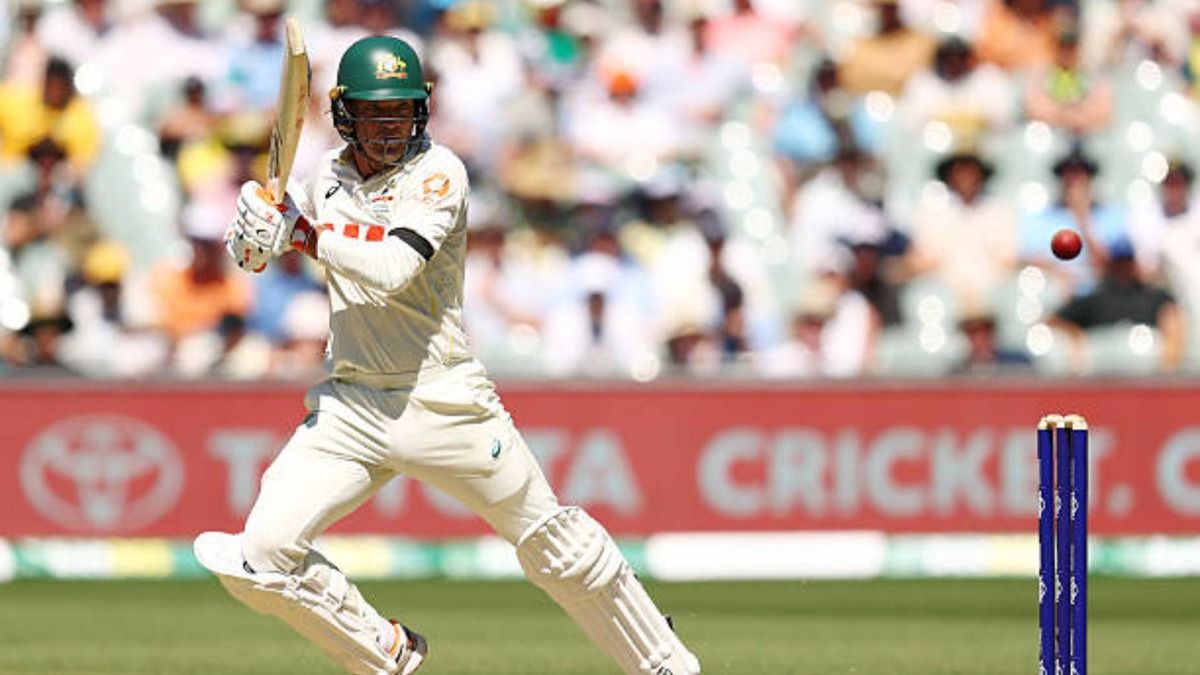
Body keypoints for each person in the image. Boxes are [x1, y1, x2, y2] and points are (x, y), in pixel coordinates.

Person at [196, 35, 701, 675]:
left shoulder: (441, 174)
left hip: (444, 398)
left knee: (556, 544)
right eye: (376, 113)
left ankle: (664, 663)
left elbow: (391, 268)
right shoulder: (324, 176)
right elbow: (253, 260)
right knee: (260, 556)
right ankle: (384, 650)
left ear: (422, 111)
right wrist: (254, 229)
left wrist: (300, 234)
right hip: (352, 402)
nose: (390, 127)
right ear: (345, 114)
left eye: (402, 111)